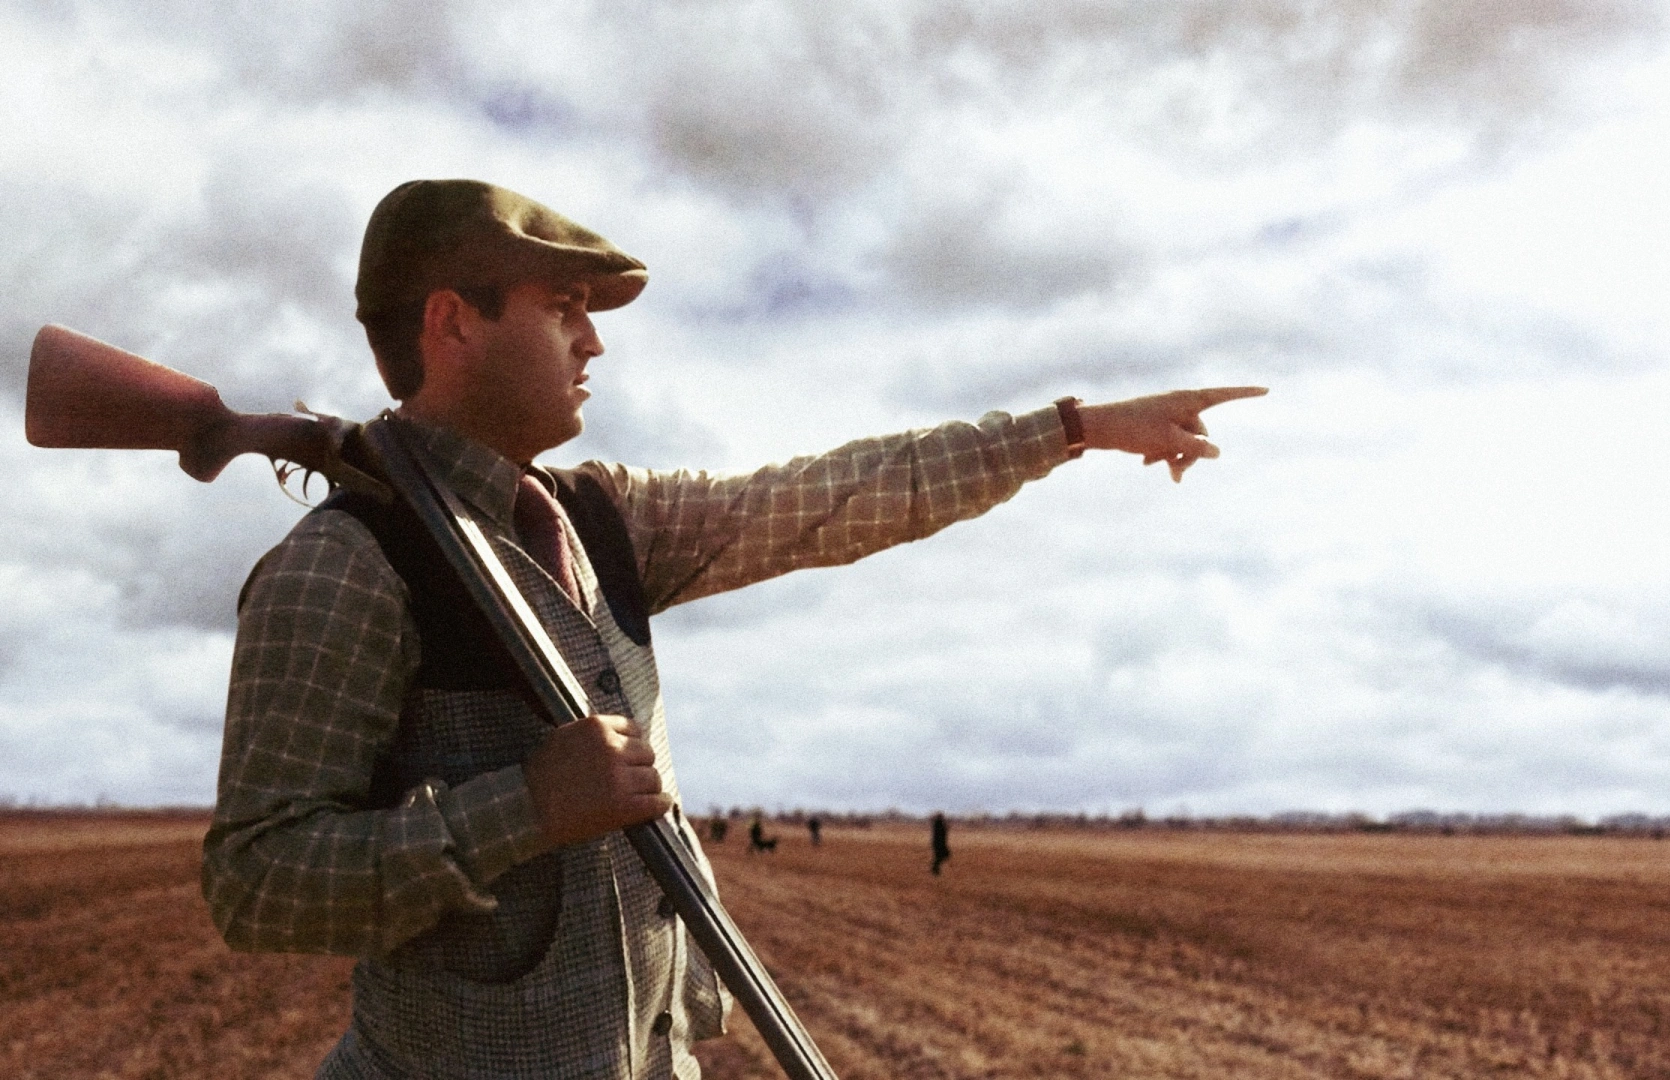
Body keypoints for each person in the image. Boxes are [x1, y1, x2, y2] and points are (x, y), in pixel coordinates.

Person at [200, 178, 1264, 1079]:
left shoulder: (604, 518)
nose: (594, 339)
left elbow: (827, 498)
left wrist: (1070, 431)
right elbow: (256, 883)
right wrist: (521, 810)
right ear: (453, 322)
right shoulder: (344, 565)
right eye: (564, 305)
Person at [930, 811, 951, 876]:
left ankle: (935, 868)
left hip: (938, 843)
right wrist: (947, 828)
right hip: (939, 843)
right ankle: (935, 869)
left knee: (941, 856)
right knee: (943, 855)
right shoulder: (938, 824)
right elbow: (942, 832)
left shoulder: (937, 823)